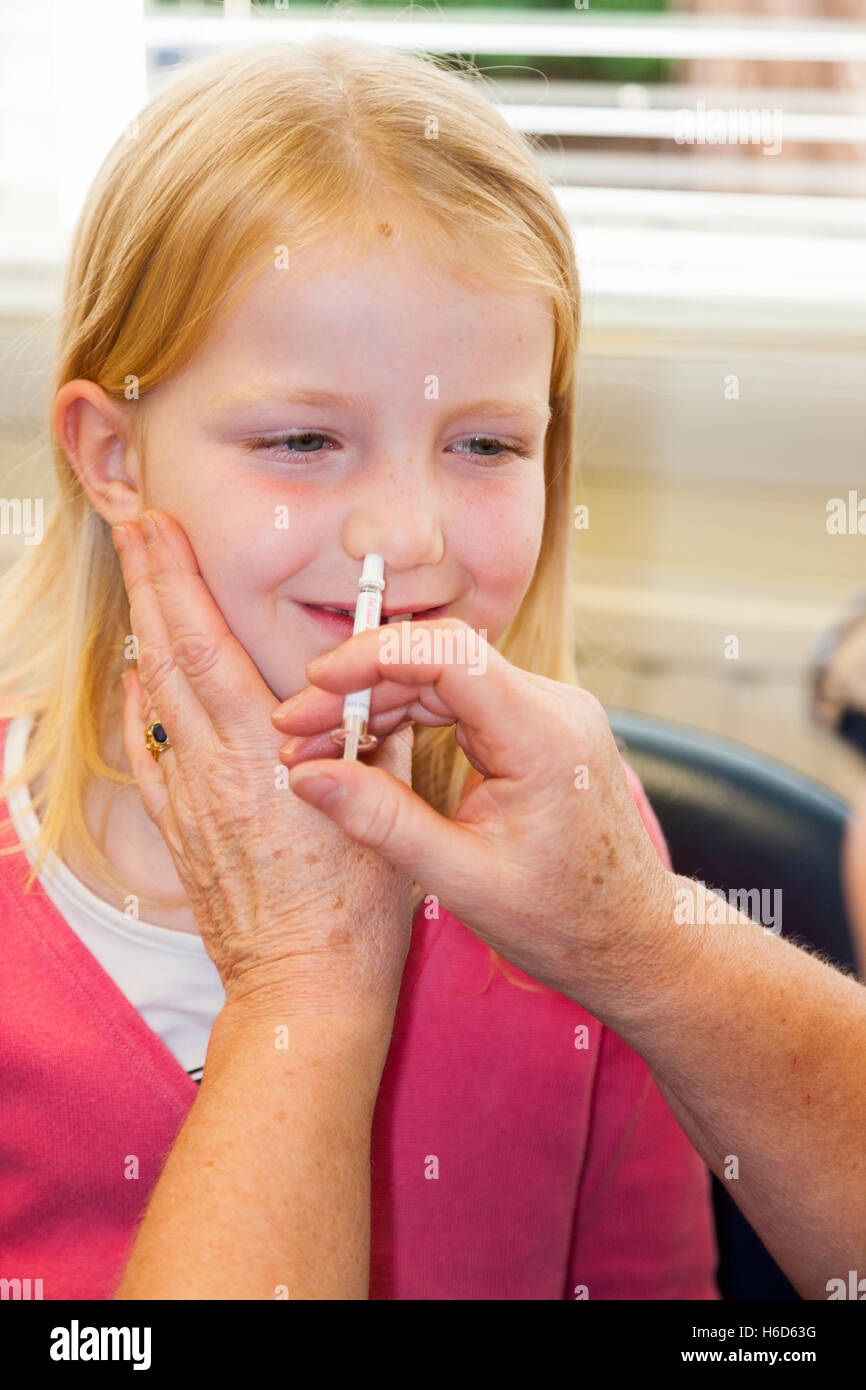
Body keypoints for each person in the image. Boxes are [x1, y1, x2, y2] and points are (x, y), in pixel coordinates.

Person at [0, 38, 717, 1300]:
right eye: (302, 438)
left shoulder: (582, 854)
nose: (408, 533)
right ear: (111, 455)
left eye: (485, 443)